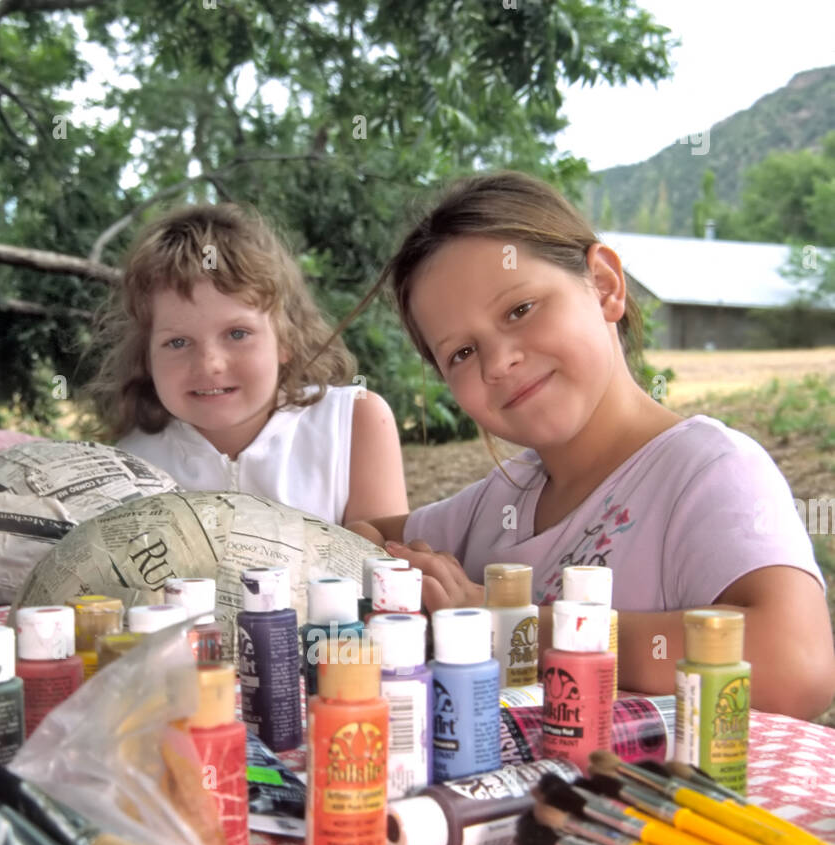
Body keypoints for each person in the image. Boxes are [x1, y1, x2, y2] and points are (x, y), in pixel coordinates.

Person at [347, 171, 835, 719]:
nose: (498, 361)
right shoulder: (500, 502)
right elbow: (370, 536)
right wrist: (369, 557)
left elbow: (797, 664)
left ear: (604, 285)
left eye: (520, 310)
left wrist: (506, 622)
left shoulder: (708, 472)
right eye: (461, 352)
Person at [87, 202, 407, 527]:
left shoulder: (352, 422)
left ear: (286, 340)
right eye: (178, 342)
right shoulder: (131, 466)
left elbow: (384, 565)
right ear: (146, 358)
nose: (210, 363)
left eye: (237, 333)